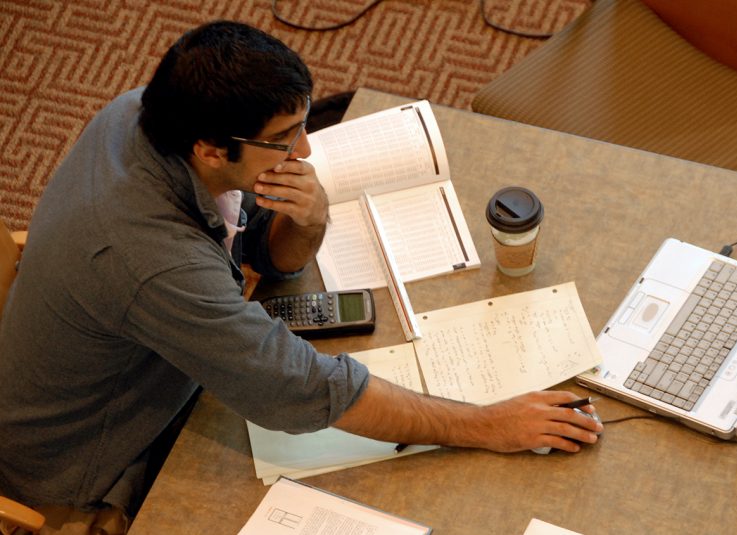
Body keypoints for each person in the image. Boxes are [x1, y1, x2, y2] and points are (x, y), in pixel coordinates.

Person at [0, 20, 602, 533]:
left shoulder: (145, 111)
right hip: (94, 456)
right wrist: (486, 424)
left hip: (145, 355)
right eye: (284, 139)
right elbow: (301, 393)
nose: (306, 152)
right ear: (212, 149)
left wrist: (307, 221)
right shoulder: (151, 261)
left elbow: (264, 255)